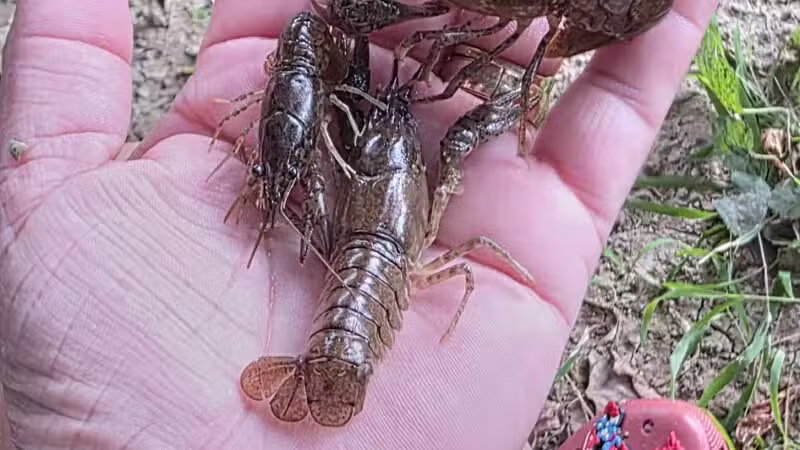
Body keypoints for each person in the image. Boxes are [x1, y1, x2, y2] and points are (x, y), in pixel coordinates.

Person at [0, 0, 721, 448]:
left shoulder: (341, 165)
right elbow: (456, 165)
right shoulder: (439, 214)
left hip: (356, 283)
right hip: (372, 283)